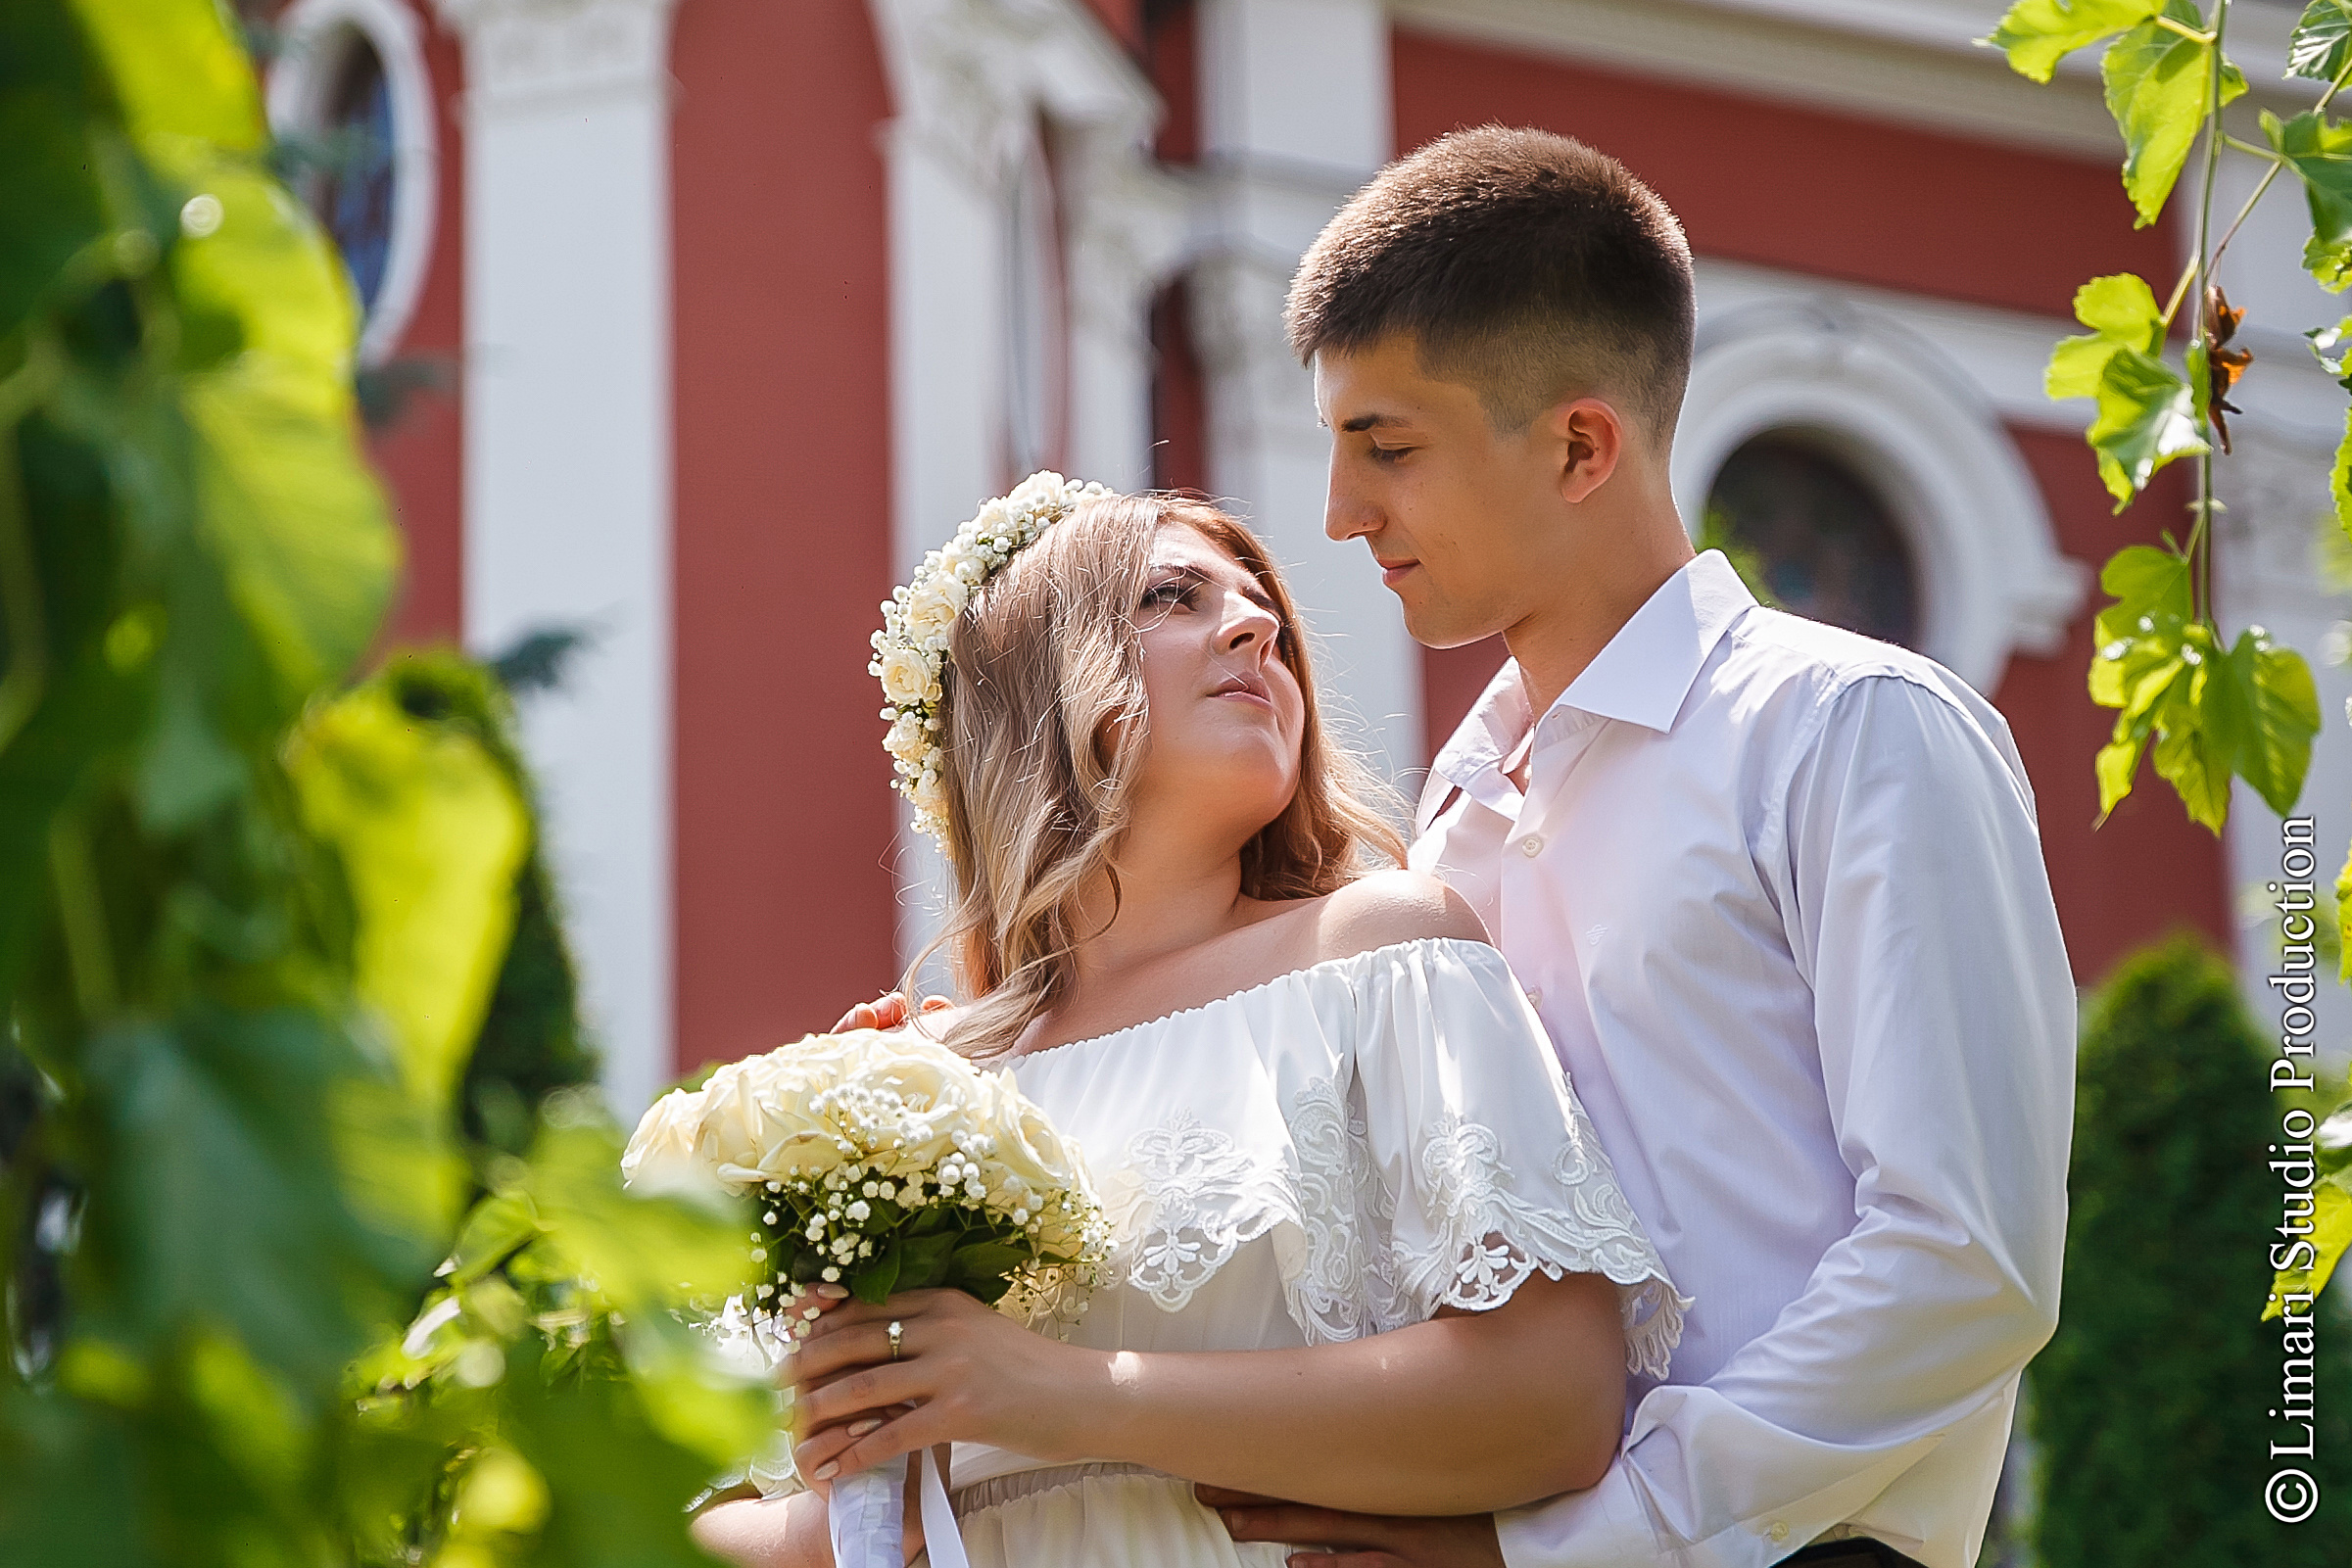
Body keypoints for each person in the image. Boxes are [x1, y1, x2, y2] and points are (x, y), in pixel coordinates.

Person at [1193, 128, 2077, 1568]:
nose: (1344, 516)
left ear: (1580, 443)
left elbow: (1960, 1260)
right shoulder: (1452, 822)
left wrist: (1594, 1536)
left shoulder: (1855, 733)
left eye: (1390, 449)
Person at [688, 480, 1686, 1568]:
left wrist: (1056, 1394)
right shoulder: (899, 1083)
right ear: (1031, 675)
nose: (1259, 626)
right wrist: (864, 1503)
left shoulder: (1378, 952)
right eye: (1172, 595)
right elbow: (691, 1500)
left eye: (1266, 614)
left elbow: (1552, 1402)